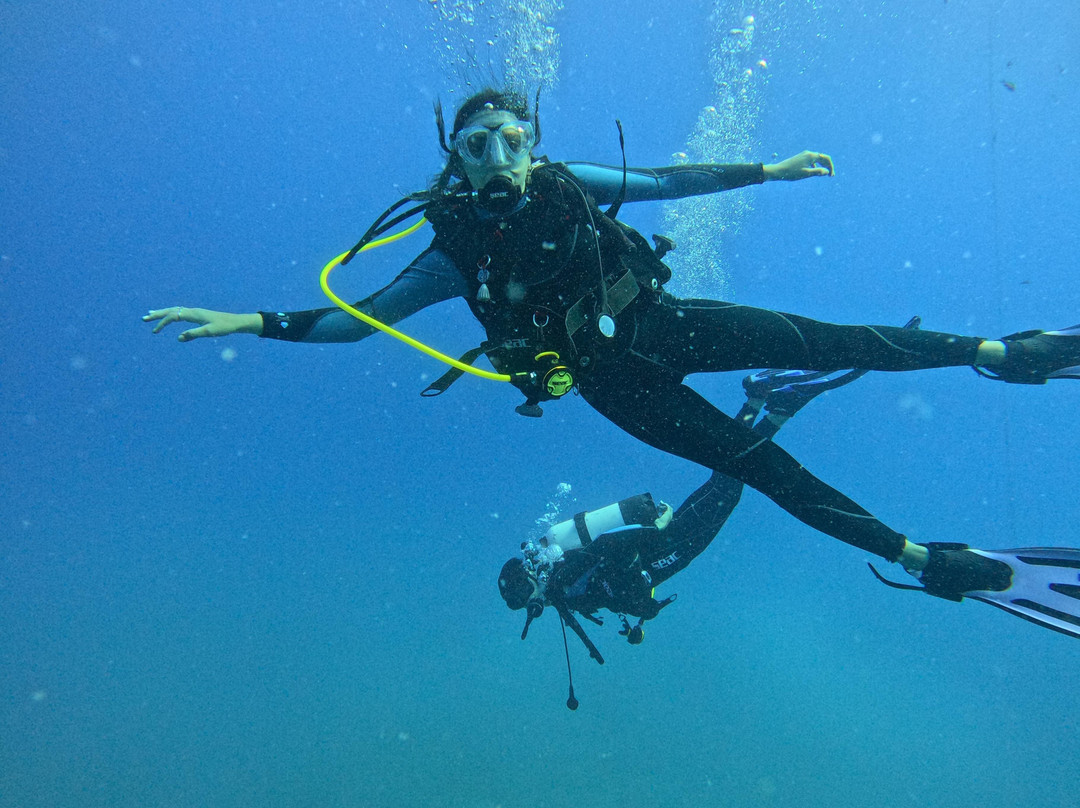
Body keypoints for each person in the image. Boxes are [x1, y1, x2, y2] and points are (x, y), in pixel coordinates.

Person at [145, 86, 1080, 602]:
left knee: (837, 338)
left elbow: (666, 182)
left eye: (510, 139)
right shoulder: (454, 246)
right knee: (764, 470)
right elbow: (360, 318)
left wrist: (770, 169)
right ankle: (926, 561)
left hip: (665, 324)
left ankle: (1007, 353)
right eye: (476, 146)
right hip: (613, 386)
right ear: (454, 159)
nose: (498, 158)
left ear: (532, 142)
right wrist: (253, 322)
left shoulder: (564, 184)